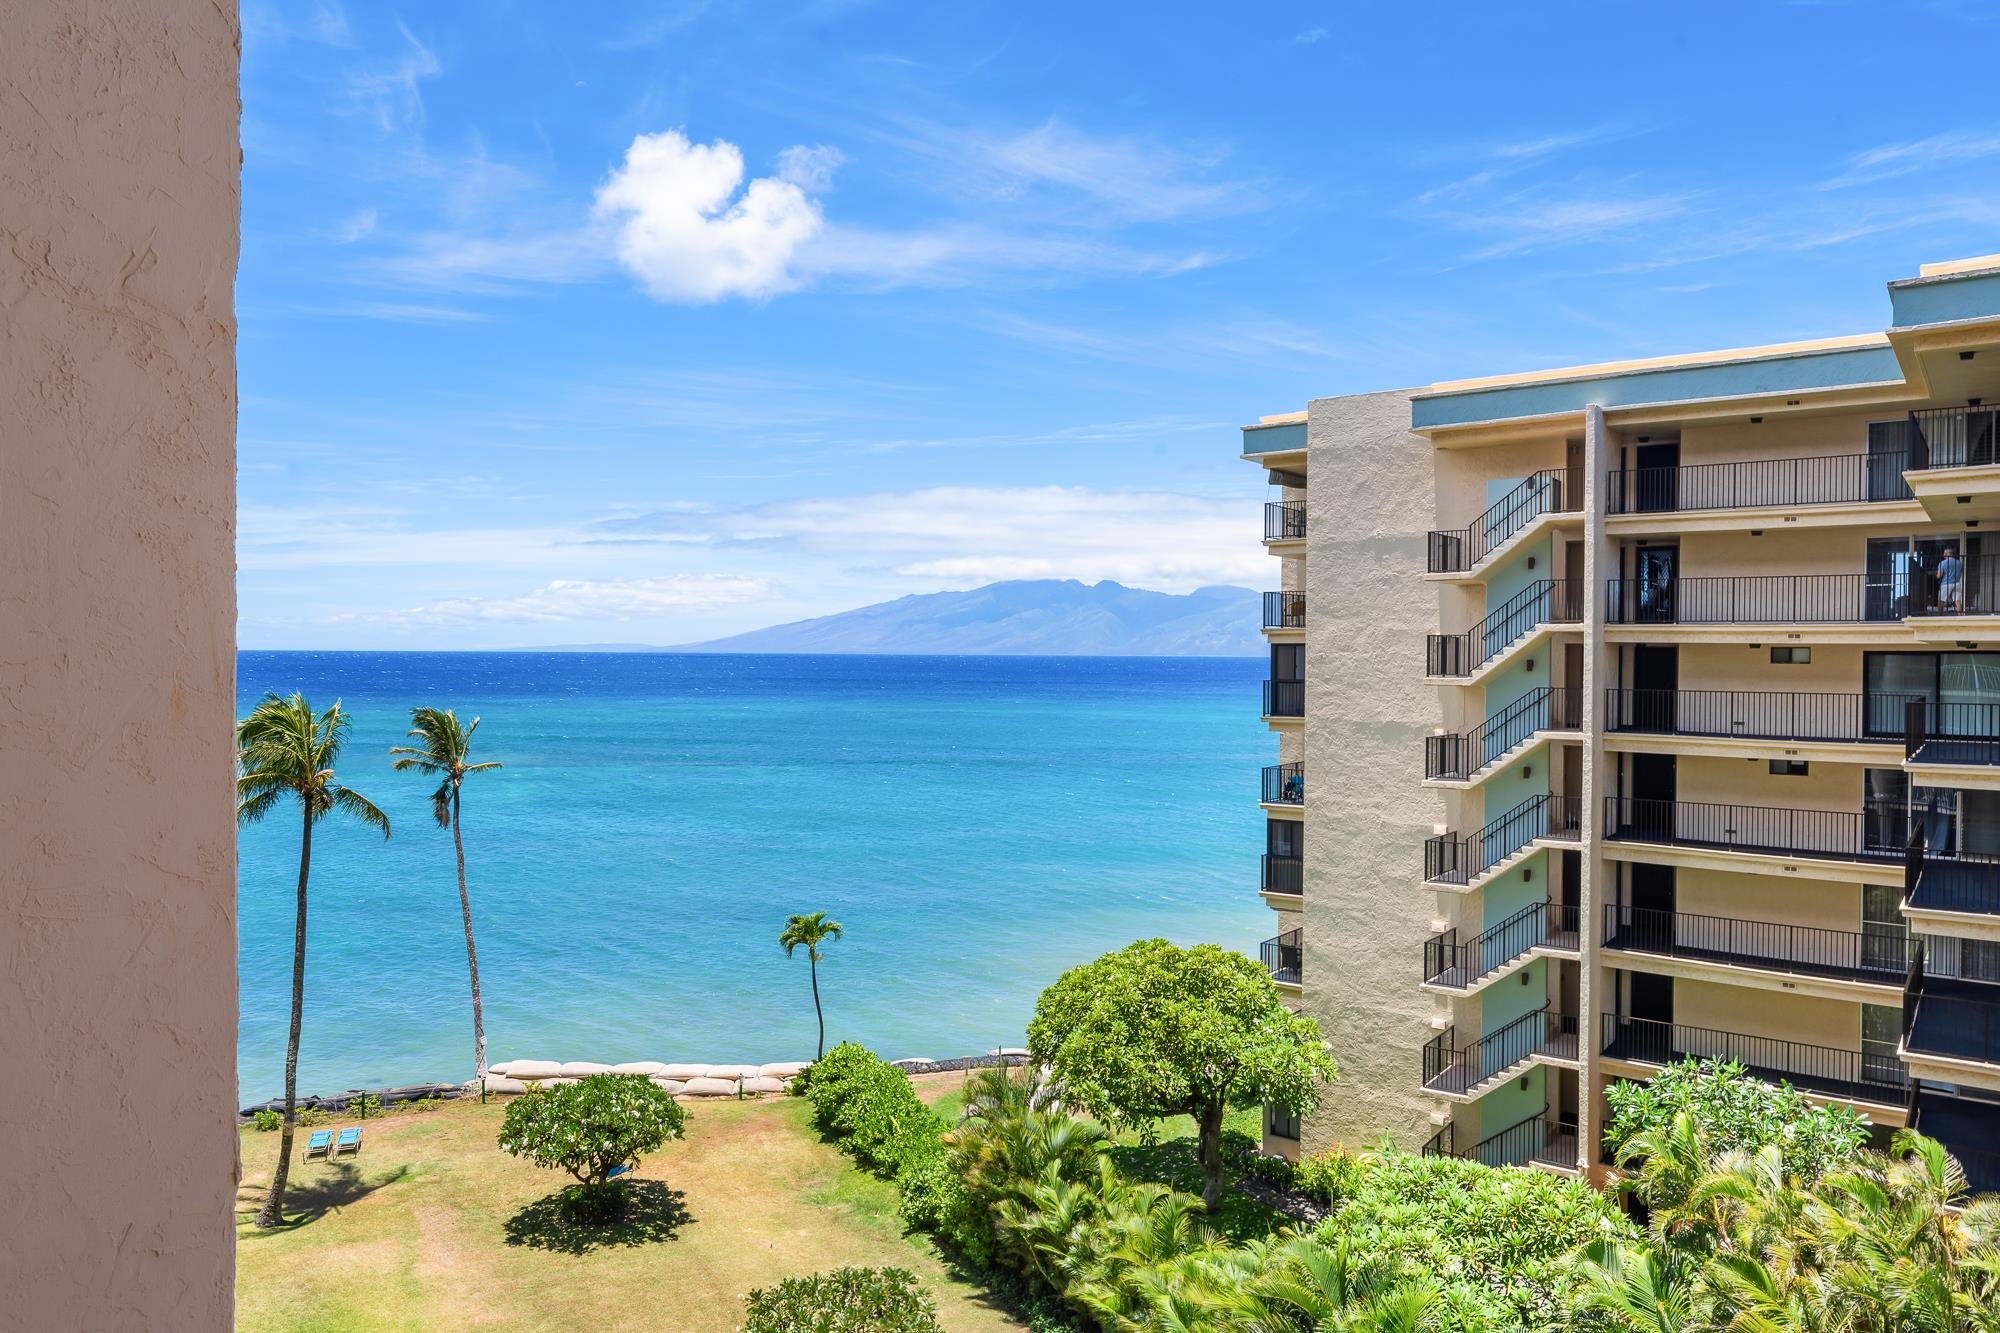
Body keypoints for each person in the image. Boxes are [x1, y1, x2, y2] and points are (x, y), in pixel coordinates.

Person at [1938, 546, 1964, 614]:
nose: (1944, 555)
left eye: (1944, 553)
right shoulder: (1959, 563)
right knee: (1957, 601)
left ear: (1947, 554)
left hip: (1946, 584)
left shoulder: (1942, 563)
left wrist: (1936, 574)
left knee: (1941, 601)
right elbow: (1961, 573)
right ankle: (1960, 616)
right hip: (1957, 583)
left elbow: (1939, 575)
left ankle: (1940, 616)